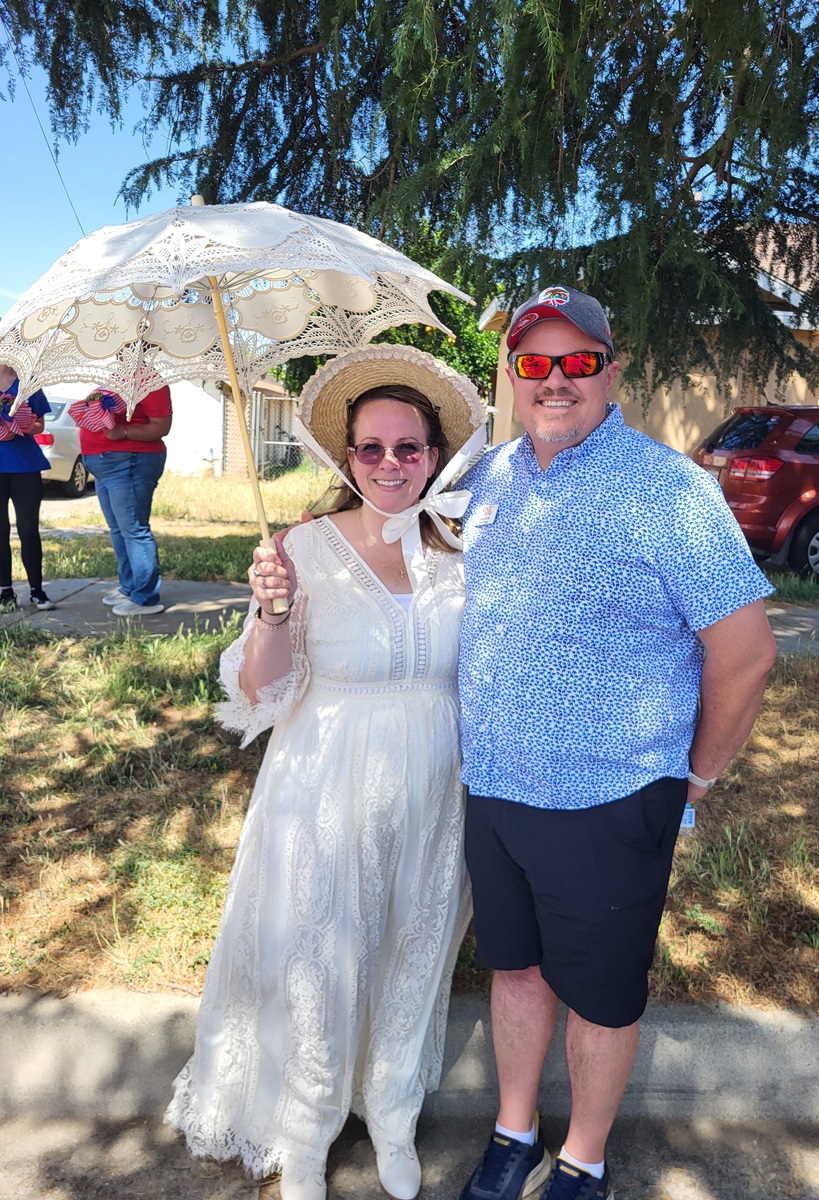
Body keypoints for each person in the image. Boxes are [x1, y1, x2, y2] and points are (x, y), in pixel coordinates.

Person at [455, 285, 778, 1200]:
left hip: (613, 796)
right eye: (534, 364)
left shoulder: (671, 491)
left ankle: (585, 1158)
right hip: (496, 787)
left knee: (599, 996)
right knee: (515, 974)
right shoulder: (489, 478)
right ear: (512, 376)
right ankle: (513, 1132)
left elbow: (747, 657)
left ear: (610, 368)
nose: (556, 381)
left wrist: (698, 781)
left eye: (577, 362)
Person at [166, 345, 486, 1200]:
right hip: (323, 786)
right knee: (321, 956)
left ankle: (391, 1111)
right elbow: (258, 690)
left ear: (434, 453)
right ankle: (306, 1128)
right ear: (344, 459)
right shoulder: (299, 549)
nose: (390, 464)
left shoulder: (460, 547)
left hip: (436, 787)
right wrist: (273, 611)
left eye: (408, 448)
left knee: (414, 952)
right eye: (371, 449)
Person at [79, 381, 172, 616]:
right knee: (118, 529)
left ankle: (145, 598)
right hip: (106, 466)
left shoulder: (150, 380)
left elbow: (161, 426)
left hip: (130, 462)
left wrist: (124, 432)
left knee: (133, 529)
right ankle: (130, 587)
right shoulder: (115, 378)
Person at [0, 365, 55, 612]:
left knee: (28, 528)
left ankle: (37, 589)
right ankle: (5, 592)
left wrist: (19, 427)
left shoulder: (28, 382)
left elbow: (40, 424)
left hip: (25, 466)